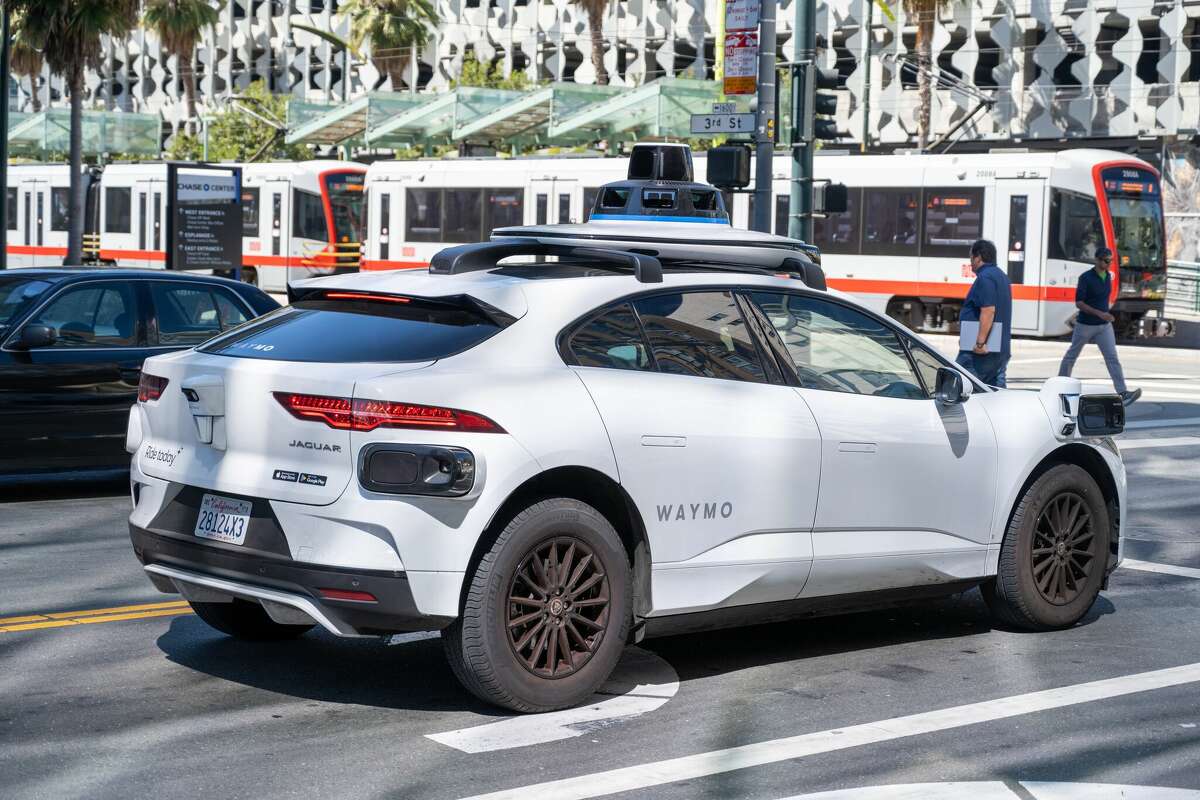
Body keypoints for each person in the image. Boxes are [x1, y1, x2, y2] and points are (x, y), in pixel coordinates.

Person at [1058, 247, 1142, 406]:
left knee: (1112, 358)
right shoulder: (1086, 278)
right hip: (1086, 325)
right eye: (1106, 260)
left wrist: (1107, 314)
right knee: (1071, 356)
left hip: (1104, 326)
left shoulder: (1108, 277)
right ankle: (1059, 389)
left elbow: (1103, 299)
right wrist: (1100, 314)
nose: (1109, 263)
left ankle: (1122, 393)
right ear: (1097, 260)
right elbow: (1079, 303)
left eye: (1110, 260)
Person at [956, 239, 1012, 387]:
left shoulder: (985, 278)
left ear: (978, 257)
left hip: (981, 352)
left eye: (971, 258)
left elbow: (988, 310)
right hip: (1000, 348)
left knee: (956, 385)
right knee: (996, 396)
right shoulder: (1002, 276)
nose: (971, 262)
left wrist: (980, 343)